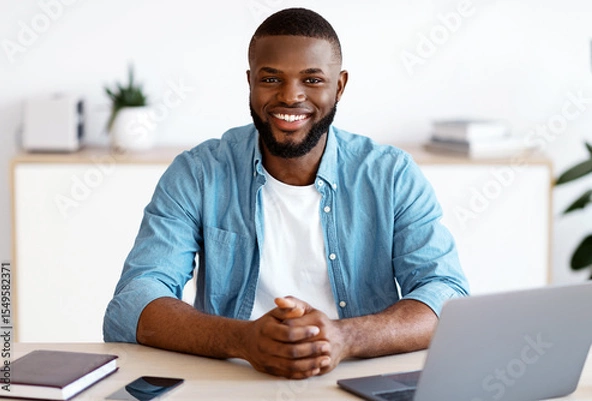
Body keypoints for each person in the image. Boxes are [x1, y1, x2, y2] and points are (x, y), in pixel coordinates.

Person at [103, 7, 469, 379]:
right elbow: (133, 303)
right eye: (271, 78)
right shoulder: (198, 173)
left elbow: (446, 295)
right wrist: (243, 340)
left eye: (311, 80)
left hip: (361, 380)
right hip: (232, 380)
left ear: (339, 86)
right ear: (250, 81)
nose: (290, 96)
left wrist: (344, 337)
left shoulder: (392, 175)